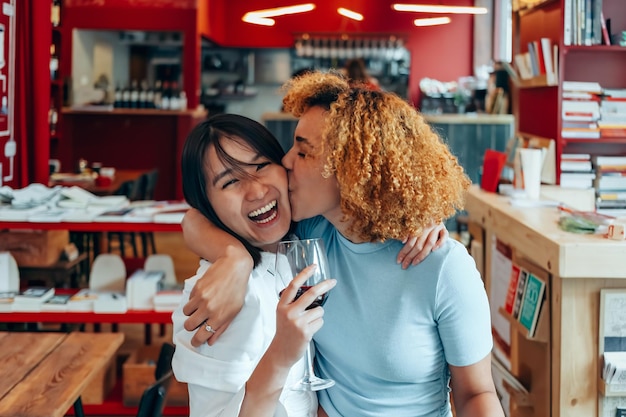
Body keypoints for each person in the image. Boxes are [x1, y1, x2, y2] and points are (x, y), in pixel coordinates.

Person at [180, 71, 504, 416]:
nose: (286, 162)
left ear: (351, 170)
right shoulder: (307, 235)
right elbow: (196, 217)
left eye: (303, 153)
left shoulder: (442, 266)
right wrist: (233, 258)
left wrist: (425, 217)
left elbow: (476, 394)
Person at [172, 113, 337, 417]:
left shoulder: (301, 237)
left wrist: (420, 224)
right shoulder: (221, 295)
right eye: (231, 181)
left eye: (261, 166)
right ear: (206, 204)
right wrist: (281, 355)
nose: (257, 190)